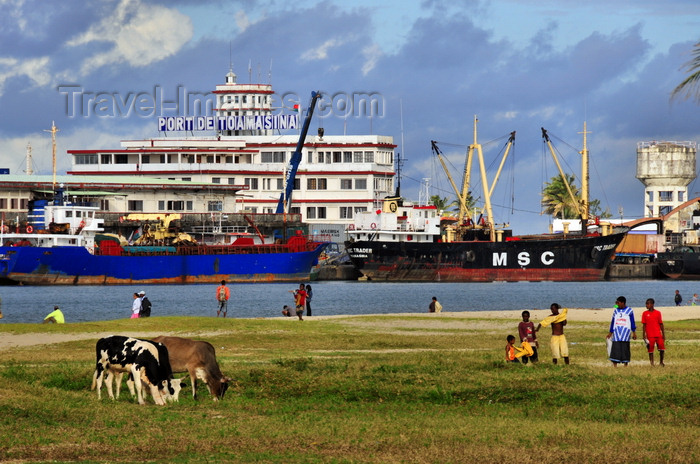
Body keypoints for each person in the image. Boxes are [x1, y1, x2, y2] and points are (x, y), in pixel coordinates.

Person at [606, 296, 637, 367]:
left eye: (618, 303)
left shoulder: (629, 311)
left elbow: (632, 322)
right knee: (615, 349)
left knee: (625, 349)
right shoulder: (616, 311)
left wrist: (634, 332)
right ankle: (615, 365)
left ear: (623, 303)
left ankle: (625, 364)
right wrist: (610, 333)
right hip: (616, 334)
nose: (617, 304)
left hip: (625, 334)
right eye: (616, 303)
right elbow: (613, 322)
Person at [642, 298, 665, 367]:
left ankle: (661, 362)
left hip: (658, 334)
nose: (646, 305)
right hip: (650, 335)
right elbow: (644, 325)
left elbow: (661, 324)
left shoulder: (658, 313)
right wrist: (644, 335)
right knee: (650, 350)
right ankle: (652, 363)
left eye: (648, 304)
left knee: (662, 349)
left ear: (652, 304)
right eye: (646, 304)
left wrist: (663, 334)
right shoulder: (645, 313)